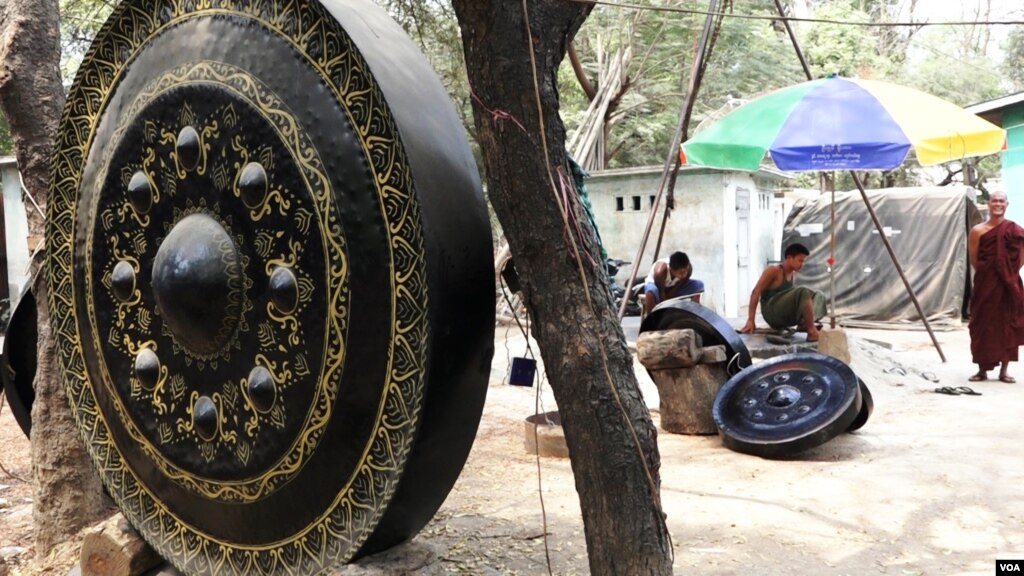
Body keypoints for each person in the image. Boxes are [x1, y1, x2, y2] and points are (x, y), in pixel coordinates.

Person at [967, 191, 1024, 383]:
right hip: (986, 284)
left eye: (1001, 201)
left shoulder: (1015, 230)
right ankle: (982, 370)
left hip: (1009, 284)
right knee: (982, 324)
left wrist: (1008, 275)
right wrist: (990, 274)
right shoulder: (978, 231)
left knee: (1007, 324)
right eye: (994, 201)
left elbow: (1020, 259)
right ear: (988, 204)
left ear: (1007, 204)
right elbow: (975, 260)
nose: (998, 204)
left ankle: (1004, 371)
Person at [739, 243, 826, 342]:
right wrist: (751, 320)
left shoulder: (793, 274)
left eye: (804, 261)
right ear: (789, 258)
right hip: (772, 313)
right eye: (800, 260)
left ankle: (804, 324)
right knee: (803, 291)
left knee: (819, 296)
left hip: (785, 313)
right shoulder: (773, 270)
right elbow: (755, 292)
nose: (802, 265)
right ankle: (812, 332)